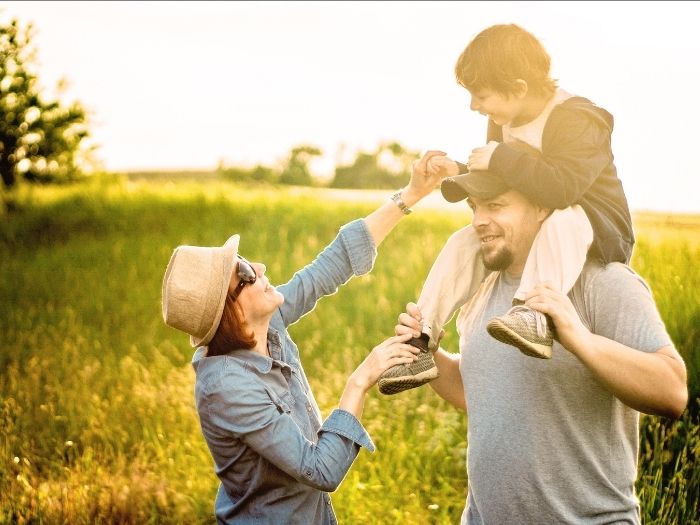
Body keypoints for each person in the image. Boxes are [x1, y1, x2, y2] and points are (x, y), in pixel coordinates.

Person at [160, 151, 447, 524]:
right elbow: (320, 470)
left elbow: (332, 264)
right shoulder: (227, 388)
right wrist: (360, 380)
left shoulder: (267, 326)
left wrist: (410, 194)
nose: (260, 267)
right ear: (231, 311)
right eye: (245, 271)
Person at [396, 170, 688, 523]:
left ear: (541, 206)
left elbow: (672, 391)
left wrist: (578, 338)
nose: (478, 221)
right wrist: (428, 356)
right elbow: (482, 392)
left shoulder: (604, 282)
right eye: (474, 207)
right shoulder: (482, 287)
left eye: (495, 205)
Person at [378, 23, 635, 395]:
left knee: (565, 217)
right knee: (464, 240)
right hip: (538, 218)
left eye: (481, 96)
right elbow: (509, 183)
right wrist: (464, 171)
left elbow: (563, 189)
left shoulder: (579, 119)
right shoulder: (503, 119)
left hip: (594, 226)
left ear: (518, 88)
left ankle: (534, 315)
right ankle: (420, 340)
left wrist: (499, 156)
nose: (474, 106)